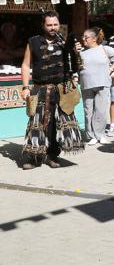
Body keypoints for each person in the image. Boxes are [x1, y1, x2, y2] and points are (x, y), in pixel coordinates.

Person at [19, 10, 84, 170]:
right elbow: (26, 65)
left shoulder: (65, 42)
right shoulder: (33, 41)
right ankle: (35, 157)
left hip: (60, 90)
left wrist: (76, 52)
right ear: (43, 25)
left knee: (57, 125)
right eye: (49, 25)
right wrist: (25, 87)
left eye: (56, 24)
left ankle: (52, 155)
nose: (53, 27)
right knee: (37, 123)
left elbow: (77, 66)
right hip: (40, 90)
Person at [78, 27, 114, 145]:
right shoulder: (81, 52)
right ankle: (91, 135)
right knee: (88, 110)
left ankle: (100, 134)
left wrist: (110, 69)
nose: (83, 39)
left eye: (86, 37)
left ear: (94, 39)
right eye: (83, 37)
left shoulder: (105, 49)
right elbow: (75, 66)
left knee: (101, 110)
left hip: (102, 83)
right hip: (86, 84)